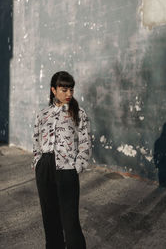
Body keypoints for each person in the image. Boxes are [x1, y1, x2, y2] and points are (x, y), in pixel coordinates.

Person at [32, 71, 91, 249]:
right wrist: (37, 162)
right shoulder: (42, 114)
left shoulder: (78, 113)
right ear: (53, 90)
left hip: (67, 169)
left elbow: (85, 140)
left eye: (71, 90)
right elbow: (36, 140)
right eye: (64, 89)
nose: (69, 94)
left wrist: (78, 165)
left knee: (70, 221)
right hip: (45, 167)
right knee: (49, 219)